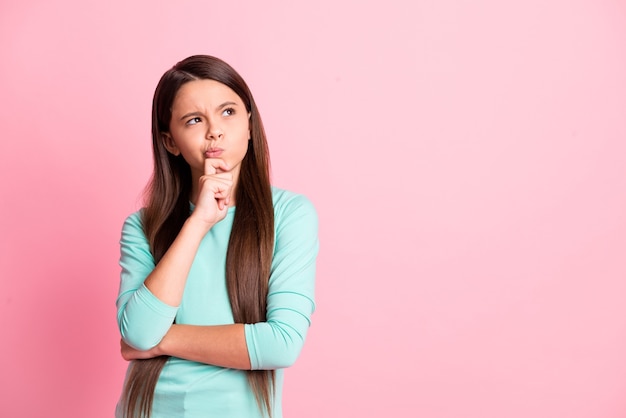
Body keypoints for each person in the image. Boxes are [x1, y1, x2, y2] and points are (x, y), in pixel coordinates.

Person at [114, 55, 319, 418]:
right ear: (170, 142)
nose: (215, 131)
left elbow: (282, 344)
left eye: (228, 112)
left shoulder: (289, 214)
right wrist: (199, 222)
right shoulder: (142, 226)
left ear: (251, 125)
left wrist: (165, 339)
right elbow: (140, 332)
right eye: (194, 120)